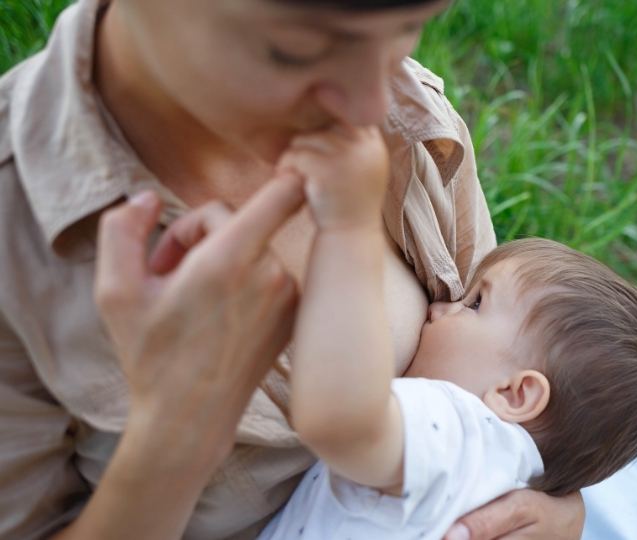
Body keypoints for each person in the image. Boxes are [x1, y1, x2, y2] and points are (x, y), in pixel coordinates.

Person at [0, 0, 585, 538]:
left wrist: (560, 508)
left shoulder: (406, 111)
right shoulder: (17, 241)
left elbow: (522, 374)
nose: (372, 108)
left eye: (409, 29)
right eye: (295, 51)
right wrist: (172, 433)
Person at [252, 126, 637, 539]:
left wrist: (346, 233)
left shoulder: (459, 427)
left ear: (515, 394)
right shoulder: (514, 476)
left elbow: (338, 422)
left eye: (474, 303)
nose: (439, 308)